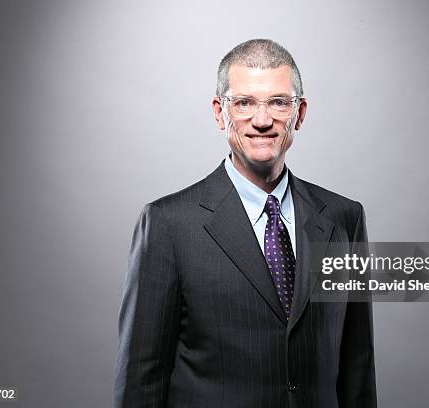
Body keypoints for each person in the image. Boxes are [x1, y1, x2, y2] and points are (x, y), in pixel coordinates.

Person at [114, 39, 376, 408]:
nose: (263, 120)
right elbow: (142, 379)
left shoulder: (343, 218)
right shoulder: (168, 224)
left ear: (300, 113)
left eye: (278, 103)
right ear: (220, 113)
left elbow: (357, 369)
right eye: (245, 103)